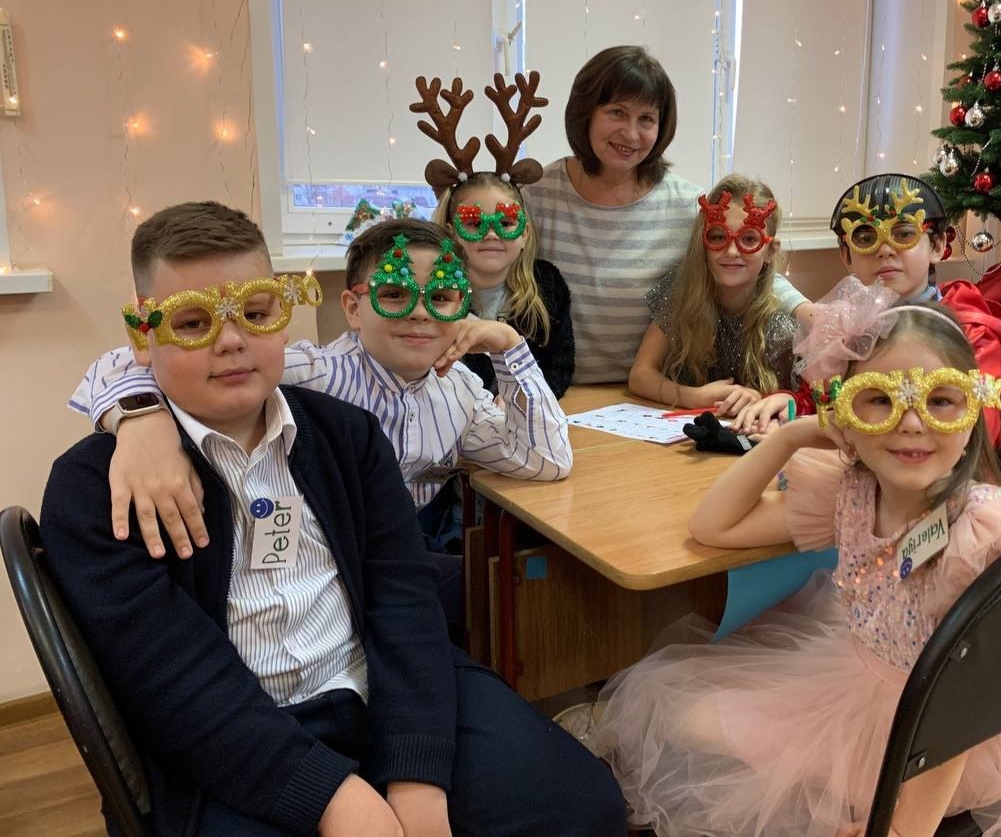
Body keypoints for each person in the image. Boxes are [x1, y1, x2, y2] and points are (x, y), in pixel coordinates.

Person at [42, 201, 623, 837]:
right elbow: (170, 676)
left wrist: (417, 773)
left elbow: (402, 597)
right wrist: (331, 798)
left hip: (375, 686)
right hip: (231, 737)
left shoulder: (350, 435)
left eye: (256, 313)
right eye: (192, 322)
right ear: (141, 334)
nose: (231, 341)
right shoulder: (94, 489)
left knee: (579, 804)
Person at [590, 285, 1001, 837]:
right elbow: (712, 527)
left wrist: (905, 828)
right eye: (879, 399)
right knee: (684, 716)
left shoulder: (977, 533)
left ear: (973, 411)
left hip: (942, 735)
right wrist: (793, 436)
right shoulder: (853, 492)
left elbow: (968, 702)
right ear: (847, 413)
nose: (912, 422)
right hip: (852, 681)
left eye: (940, 399)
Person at [71, 217, 572, 629]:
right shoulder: (309, 374)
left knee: (520, 577)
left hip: (406, 549)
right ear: (353, 308)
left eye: (441, 297)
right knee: (490, 585)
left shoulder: (459, 390)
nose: (421, 312)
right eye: (394, 294)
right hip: (326, 557)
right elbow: (125, 359)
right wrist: (142, 421)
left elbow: (547, 459)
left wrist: (511, 348)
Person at [521, 45, 809, 383]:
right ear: (585, 113)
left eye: (646, 119)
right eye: (616, 112)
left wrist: (807, 312)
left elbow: (747, 259)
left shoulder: (687, 205)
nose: (631, 134)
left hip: (648, 395)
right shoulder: (536, 195)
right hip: (552, 389)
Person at [732, 174, 1001, 441]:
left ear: (938, 245)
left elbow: (971, 434)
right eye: (865, 238)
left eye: (904, 233)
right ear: (847, 257)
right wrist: (791, 404)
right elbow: (824, 401)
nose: (885, 249)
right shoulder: (848, 322)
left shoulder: (969, 332)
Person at [424, 72, 574, 397]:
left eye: (506, 223)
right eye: (474, 223)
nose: (491, 234)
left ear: (524, 233)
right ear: (452, 232)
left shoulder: (547, 286)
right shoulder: (434, 291)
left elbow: (559, 370)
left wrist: (519, 399)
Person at [628, 174, 795, 418]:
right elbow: (640, 375)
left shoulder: (782, 324)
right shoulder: (681, 294)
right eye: (718, 236)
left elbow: (806, 401)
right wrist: (691, 397)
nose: (731, 251)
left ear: (770, 250)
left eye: (749, 239)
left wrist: (767, 400)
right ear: (703, 242)